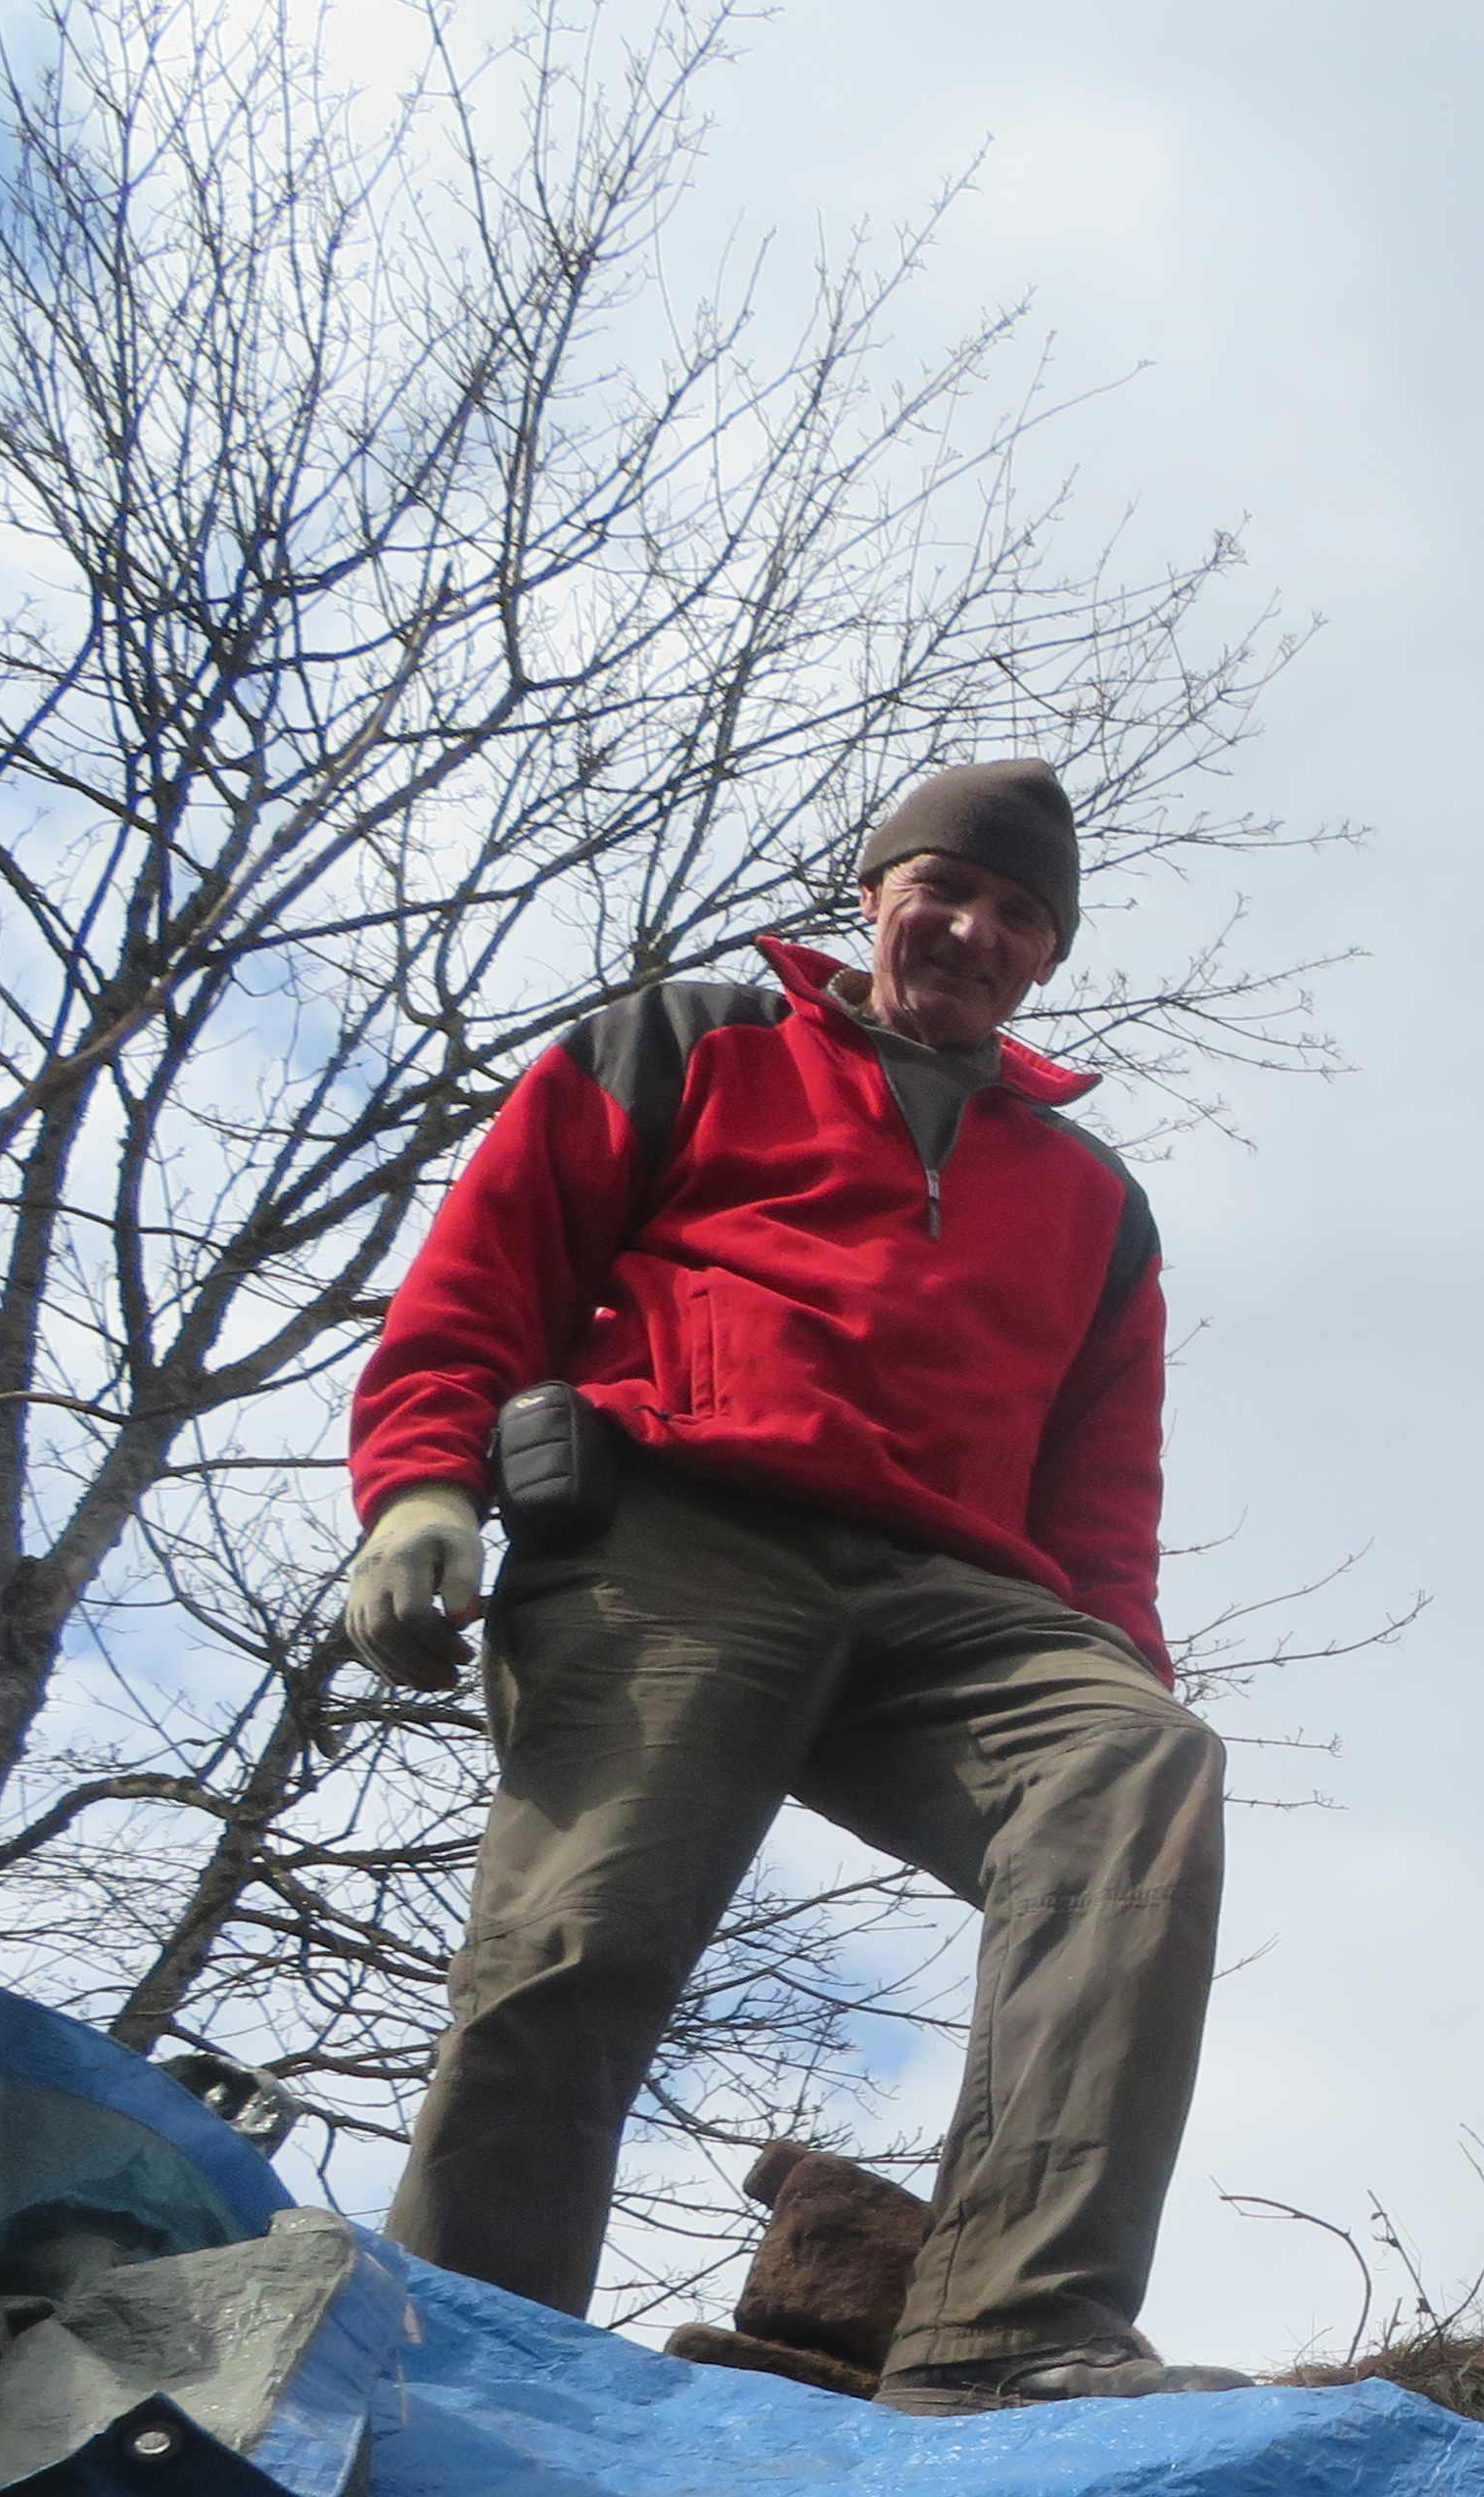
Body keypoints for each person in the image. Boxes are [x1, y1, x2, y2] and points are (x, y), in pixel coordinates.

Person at [341, 757, 1242, 2412]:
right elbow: (484, 1274)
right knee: (579, 1934)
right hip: (686, 1528)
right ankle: (460, 2367)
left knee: (1137, 1760)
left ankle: (1010, 2335)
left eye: (1018, 914)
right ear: (874, 894)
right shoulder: (689, 1045)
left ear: (1047, 956)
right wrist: (418, 1487)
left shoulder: (1093, 1202)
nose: (971, 929)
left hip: (956, 1590)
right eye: (943, 889)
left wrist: (1119, 1661)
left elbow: (1105, 1497)